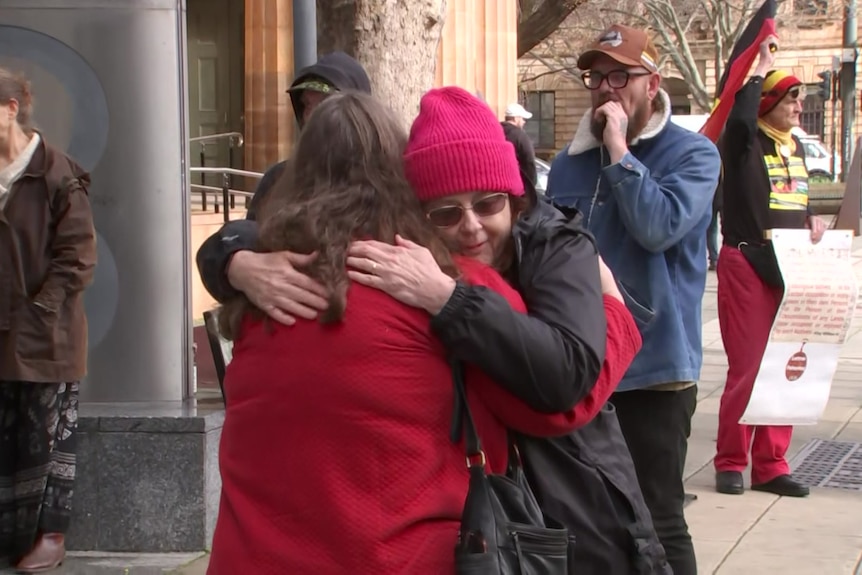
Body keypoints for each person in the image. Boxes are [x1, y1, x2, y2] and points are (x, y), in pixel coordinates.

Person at [206, 92, 599, 574]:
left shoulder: (258, 293)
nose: (471, 226)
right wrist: (618, 312)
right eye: (447, 210)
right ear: (406, 182)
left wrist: (234, 259)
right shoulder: (450, 285)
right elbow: (559, 400)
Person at [346, 86, 669, 574]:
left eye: (488, 203)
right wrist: (235, 260)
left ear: (514, 200)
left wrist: (447, 299)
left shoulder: (555, 245)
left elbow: (565, 375)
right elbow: (296, 229)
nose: (472, 227)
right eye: (447, 213)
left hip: (585, 510)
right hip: (487, 519)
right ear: (419, 217)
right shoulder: (407, 258)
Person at [546, 24, 721, 575]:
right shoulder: (570, 162)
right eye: (595, 76)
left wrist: (619, 149)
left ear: (653, 83)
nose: (605, 88)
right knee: (589, 513)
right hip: (584, 359)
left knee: (659, 516)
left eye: (620, 75)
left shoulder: (693, 155)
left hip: (655, 367)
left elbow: (657, 226)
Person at [713, 38, 826, 498]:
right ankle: (731, 461)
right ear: (770, 102)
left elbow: (789, 201)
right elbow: (739, 117)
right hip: (746, 262)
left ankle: (772, 465)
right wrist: (760, 68)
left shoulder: (794, 148)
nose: (800, 106)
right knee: (750, 367)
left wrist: (811, 219)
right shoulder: (743, 141)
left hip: (791, 266)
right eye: (793, 97)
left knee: (787, 366)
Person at [0, 68, 97, 572]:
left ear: (11, 108)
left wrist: (38, 312)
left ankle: (49, 535)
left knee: (47, 434)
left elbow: (78, 257)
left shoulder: (58, 173)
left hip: (47, 335)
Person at [195, 51, 372, 320]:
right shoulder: (280, 178)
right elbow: (240, 240)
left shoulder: (387, 179)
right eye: (307, 105)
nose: (313, 116)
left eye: (325, 104)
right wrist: (235, 262)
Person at [501, 102, 538, 187]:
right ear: (516, 118)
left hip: (499, 185)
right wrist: (531, 185)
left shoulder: (495, 132)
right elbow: (529, 161)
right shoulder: (520, 136)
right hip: (517, 184)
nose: (524, 122)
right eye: (522, 119)